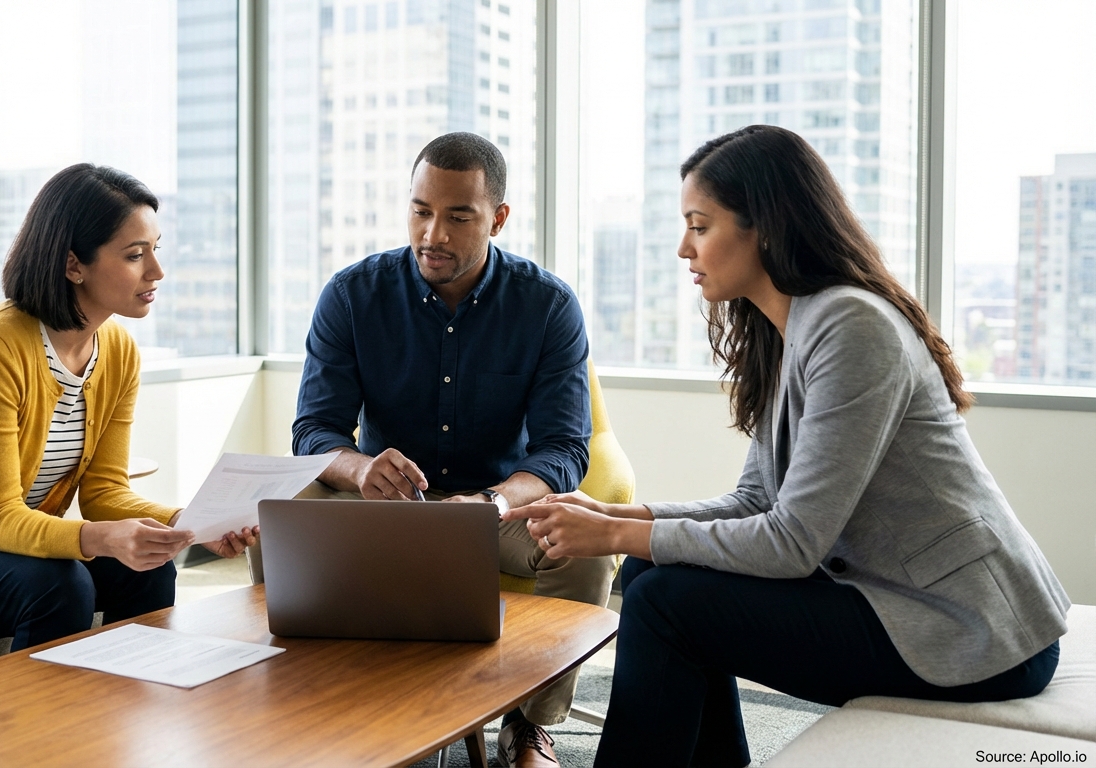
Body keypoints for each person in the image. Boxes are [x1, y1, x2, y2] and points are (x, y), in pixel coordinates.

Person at [504, 125, 1072, 767]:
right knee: (651, 573)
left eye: (699, 225)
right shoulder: (791, 330)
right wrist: (623, 519)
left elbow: (793, 543)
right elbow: (756, 499)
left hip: (970, 630)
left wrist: (617, 536)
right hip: (892, 597)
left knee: (666, 599)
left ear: (764, 227)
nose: (683, 248)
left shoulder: (851, 326)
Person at [285, 132, 613, 768]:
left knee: (584, 551)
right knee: (285, 510)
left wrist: (493, 502)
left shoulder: (546, 306)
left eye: (458, 216)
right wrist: (359, 469)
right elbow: (313, 431)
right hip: (387, 503)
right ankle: (313, 703)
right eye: (420, 210)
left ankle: (528, 724)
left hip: (497, 508)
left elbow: (564, 449)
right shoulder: (353, 296)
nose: (432, 233)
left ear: (498, 217)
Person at [0, 163, 257, 653]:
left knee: (148, 566)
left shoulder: (119, 352)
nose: (156, 272)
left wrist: (186, 523)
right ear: (72, 264)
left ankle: (130, 703)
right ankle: (41, 728)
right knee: (59, 585)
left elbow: (104, 493)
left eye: (155, 250)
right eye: (134, 255)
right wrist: (102, 539)